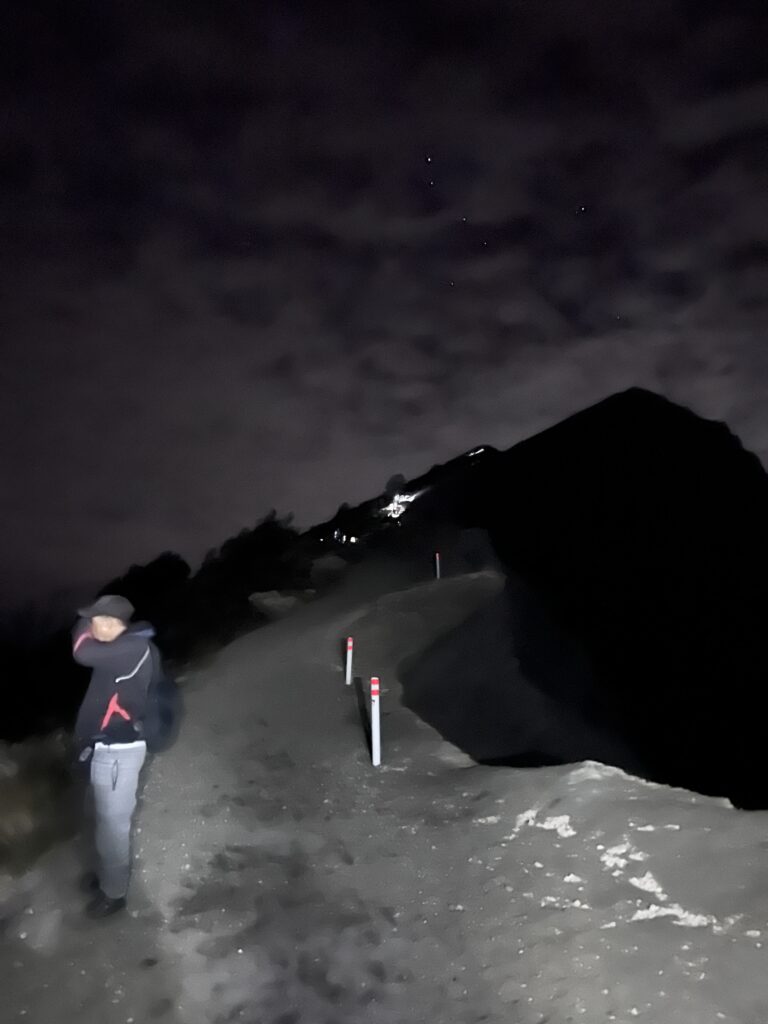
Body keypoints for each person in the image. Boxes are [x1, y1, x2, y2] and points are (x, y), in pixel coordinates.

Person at [72, 594, 160, 919]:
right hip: (103, 748)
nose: (100, 627)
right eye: (96, 621)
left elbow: (81, 652)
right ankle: (108, 876)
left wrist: (83, 620)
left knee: (114, 826)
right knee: (101, 820)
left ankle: (115, 894)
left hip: (120, 753)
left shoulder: (133, 648)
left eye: (109, 621)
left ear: (124, 626)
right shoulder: (119, 649)